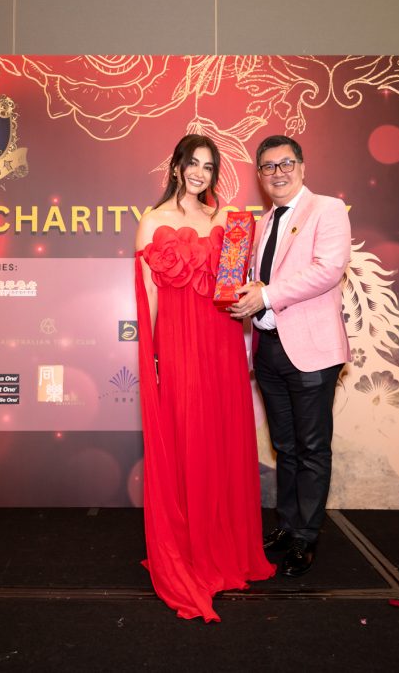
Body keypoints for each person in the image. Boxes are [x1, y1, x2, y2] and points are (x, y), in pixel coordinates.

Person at [134, 134, 275, 622]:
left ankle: (226, 545)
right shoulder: (152, 222)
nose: (199, 172)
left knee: (222, 440)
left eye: (208, 166)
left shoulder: (228, 219)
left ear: (215, 173)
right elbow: (149, 297)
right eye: (192, 163)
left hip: (221, 344)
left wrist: (248, 296)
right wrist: (153, 357)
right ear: (176, 166)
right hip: (178, 347)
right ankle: (191, 552)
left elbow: (235, 287)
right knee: (189, 439)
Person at [229, 135, 351, 577]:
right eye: (268, 166)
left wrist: (265, 296)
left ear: (302, 166)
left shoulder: (327, 209)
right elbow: (255, 280)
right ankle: (287, 524)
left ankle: (306, 536)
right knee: (284, 446)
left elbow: (327, 269)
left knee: (312, 446)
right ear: (259, 175)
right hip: (268, 349)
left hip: (312, 350)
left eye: (285, 164)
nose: (277, 173)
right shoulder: (262, 222)